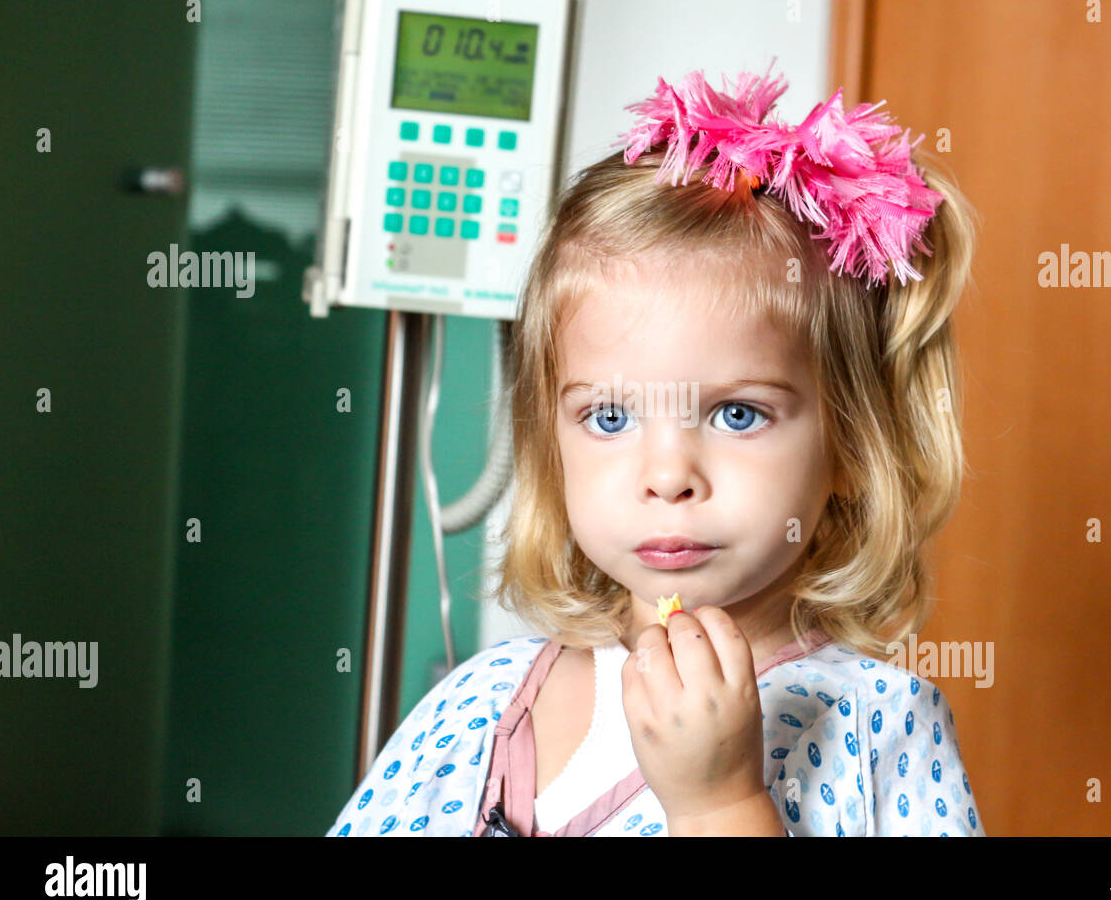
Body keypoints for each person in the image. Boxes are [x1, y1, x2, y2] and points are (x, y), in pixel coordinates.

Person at [327, 62, 984, 837]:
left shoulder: (880, 728)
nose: (668, 476)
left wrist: (721, 804)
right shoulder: (480, 704)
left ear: (850, 444)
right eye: (608, 419)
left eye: (738, 415)